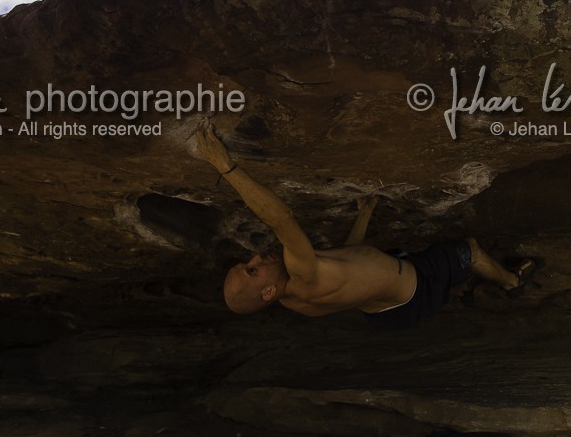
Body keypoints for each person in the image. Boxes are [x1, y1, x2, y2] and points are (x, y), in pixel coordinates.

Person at [189, 121, 531, 329]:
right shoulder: (302, 271)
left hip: (384, 314)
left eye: (246, 263)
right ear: (267, 292)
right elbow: (281, 218)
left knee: (407, 260)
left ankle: (461, 289)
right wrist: (223, 164)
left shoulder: (294, 301)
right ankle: (512, 282)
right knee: (468, 250)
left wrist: (364, 215)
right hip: (416, 287)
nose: (257, 258)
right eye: (253, 271)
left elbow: (347, 266)